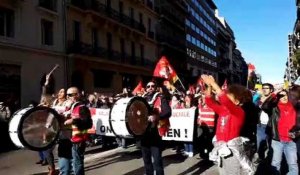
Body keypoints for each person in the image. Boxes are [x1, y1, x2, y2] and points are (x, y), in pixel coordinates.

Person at [201, 74, 256, 175]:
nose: (225, 96)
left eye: (229, 95)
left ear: (237, 101)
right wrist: (209, 85)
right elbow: (209, 102)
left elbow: (224, 100)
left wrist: (213, 83)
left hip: (232, 151)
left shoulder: (239, 112)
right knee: (223, 172)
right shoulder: (223, 111)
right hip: (221, 148)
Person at [262, 89, 298, 175]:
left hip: (291, 141)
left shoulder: (295, 106)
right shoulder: (274, 108)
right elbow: (265, 106)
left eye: (285, 95)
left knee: (293, 165)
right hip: (278, 140)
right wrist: (274, 94)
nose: (284, 97)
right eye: (281, 96)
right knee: (275, 164)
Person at [141, 80, 171, 175]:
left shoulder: (161, 97)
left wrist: (156, 117)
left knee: (157, 161)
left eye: (152, 86)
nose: (150, 87)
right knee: (147, 161)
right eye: (148, 86)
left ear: (156, 87)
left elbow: (168, 112)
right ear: (146, 88)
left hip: (155, 133)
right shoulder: (141, 98)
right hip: (143, 134)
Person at [64, 87, 92, 175]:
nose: (68, 97)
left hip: (79, 140)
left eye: (70, 95)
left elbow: (88, 123)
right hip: (72, 139)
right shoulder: (71, 107)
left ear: (77, 95)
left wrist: (73, 120)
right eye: (67, 95)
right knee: (74, 163)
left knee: (77, 163)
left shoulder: (82, 107)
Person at [253, 83, 274, 163]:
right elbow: (252, 104)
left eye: (267, 88)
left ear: (271, 90)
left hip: (271, 126)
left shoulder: (273, 100)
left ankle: (271, 161)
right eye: (263, 88)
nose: (264, 89)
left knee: (271, 145)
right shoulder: (259, 100)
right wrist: (257, 96)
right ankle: (261, 159)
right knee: (260, 144)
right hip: (260, 126)